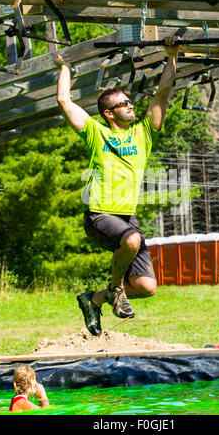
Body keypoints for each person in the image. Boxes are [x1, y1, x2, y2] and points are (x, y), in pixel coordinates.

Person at [55, 35, 179, 336]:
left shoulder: (143, 132)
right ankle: (115, 290)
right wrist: (66, 66)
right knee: (133, 240)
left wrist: (172, 55)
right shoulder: (95, 133)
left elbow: (162, 94)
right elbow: (64, 100)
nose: (130, 105)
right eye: (122, 103)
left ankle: (95, 299)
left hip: (127, 219)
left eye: (129, 100)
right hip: (99, 215)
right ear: (109, 113)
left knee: (147, 287)